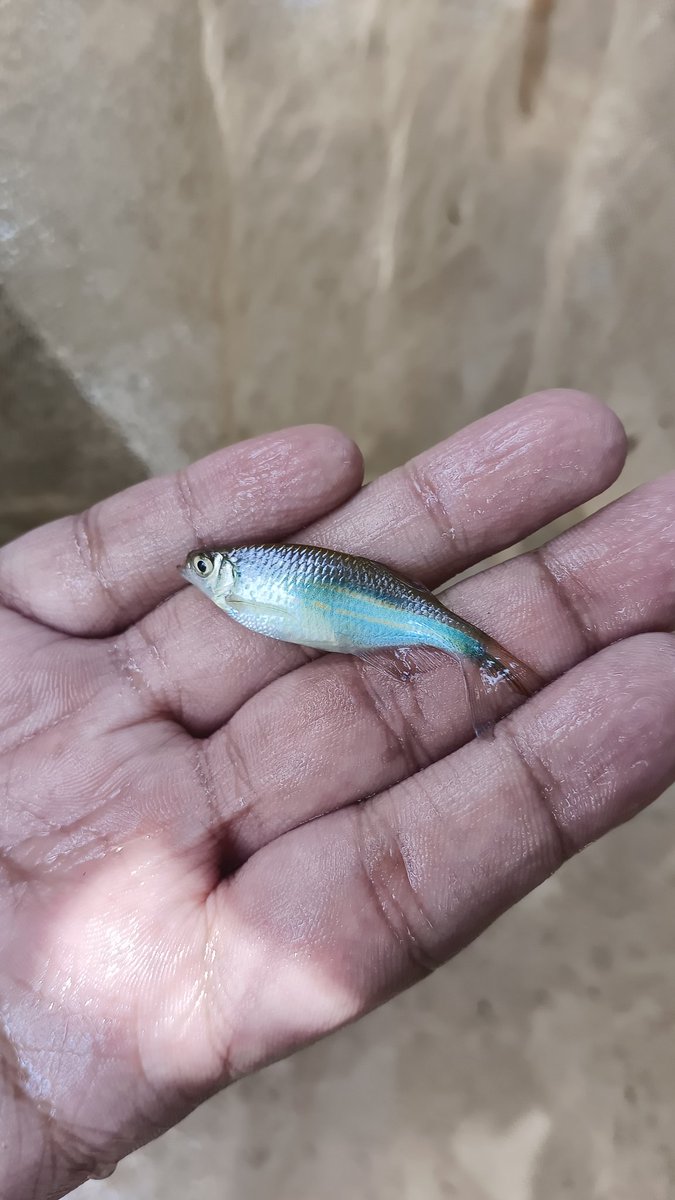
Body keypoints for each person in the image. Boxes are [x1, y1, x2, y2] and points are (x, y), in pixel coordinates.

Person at [0, 390, 672, 1199]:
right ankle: (487, 665)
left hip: (391, 617)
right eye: (207, 569)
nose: (201, 575)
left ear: (230, 572)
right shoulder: (245, 585)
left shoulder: (247, 583)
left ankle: (485, 663)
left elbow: (280, 602)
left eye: (209, 568)